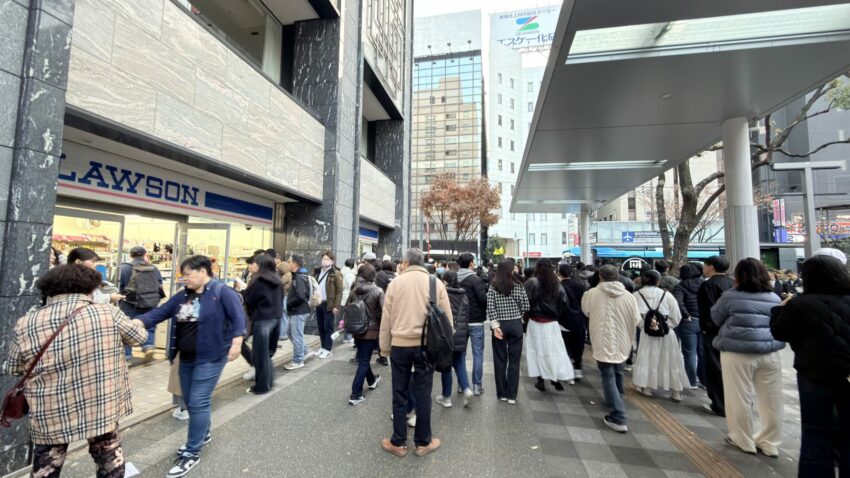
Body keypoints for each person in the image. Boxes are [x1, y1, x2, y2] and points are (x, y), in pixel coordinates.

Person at [5, 265, 147, 478]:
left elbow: (14, 368)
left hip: (50, 409)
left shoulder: (26, 323)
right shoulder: (107, 312)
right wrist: (136, 322)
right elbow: (138, 338)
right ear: (89, 288)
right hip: (100, 404)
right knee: (108, 457)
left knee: (46, 465)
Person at [137, 256, 246, 477]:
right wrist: (139, 322)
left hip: (211, 356)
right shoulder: (183, 296)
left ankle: (192, 451)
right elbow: (162, 311)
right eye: (183, 274)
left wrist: (237, 343)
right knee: (187, 399)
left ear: (203, 271)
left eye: (188, 274)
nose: (184, 278)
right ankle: (203, 433)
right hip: (185, 357)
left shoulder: (222, 292)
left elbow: (238, 318)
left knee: (198, 400)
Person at [770, 255, 850, 476]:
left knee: (816, 434)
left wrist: (779, 309)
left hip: (815, 373)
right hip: (847, 374)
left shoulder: (802, 304)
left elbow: (780, 332)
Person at [380, 248, 452, 458]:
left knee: (399, 393)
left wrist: (384, 347)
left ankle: (398, 442)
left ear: (405, 262)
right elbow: (447, 319)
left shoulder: (396, 283)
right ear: (422, 262)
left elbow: (387, 319)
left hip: (400, 346)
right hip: (426, 347)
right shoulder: (435, 283)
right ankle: (423, 442)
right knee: (423, 393)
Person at [711, 258, 785, 457]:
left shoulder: (730, 297)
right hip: (769, 351)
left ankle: (743, 439)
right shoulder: (773, 297)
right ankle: (770, 442)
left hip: (737, 352)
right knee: (771, 398)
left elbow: (716, 318)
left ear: (738, 276)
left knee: (739, 397)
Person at [581, 265, 641, 433]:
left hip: (602, 338)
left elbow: (586, 311)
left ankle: (618, 415)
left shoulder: (591, 294)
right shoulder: (629, 296)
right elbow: (636, 318)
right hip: (623, 340)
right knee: (618, 371)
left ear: (600, 276)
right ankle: (617, 397)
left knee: (607, 374)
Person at [632, 270, 689, 402]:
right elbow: (676, 316)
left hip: (647, 333)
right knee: (671, 360)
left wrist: (644, 326)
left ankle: (647, 388)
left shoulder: (636, 295)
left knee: (647, 358)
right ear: (658, 281)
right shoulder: (667, 295)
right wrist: (666, 326)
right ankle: (676, 392)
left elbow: (634, 316)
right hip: (667, 334)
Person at [525, 259, 575, 392]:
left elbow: (524, 301)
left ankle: (540, 380)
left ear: (538, 267)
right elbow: (564, 303)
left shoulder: (532, 282)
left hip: (535, 321)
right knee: (554, 350)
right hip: (552, 323)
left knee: (537, 351)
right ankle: (555, 377)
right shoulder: (557, 284)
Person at [487, 260, 530, 404]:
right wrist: (518, 314)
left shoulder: (493, 287)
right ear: (511, 270)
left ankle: (502, 394)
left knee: (500, 360)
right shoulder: (518, 285)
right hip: (516, 324)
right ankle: (512, 395)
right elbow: (526, 305)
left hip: (500, 325)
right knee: (514, 360)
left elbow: (490, 307)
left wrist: (495, 325)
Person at [239, 253, 282, 394]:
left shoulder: (258, 280)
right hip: (276, 318)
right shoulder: (277, 278)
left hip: (262, 319)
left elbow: (250, 300)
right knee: (266, 354)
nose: (254, 265)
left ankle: (261, 386)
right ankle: (269, 381)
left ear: (260, 264)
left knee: (259, 355)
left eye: (256, 263)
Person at [697, 255, 733, 416]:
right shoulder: (732, 283)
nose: (703, 269)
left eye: (705, 266)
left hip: (713, 333)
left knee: (714, 368)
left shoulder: (708, 285)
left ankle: (719, 404)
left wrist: (705, 329)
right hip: (731, 332)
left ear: (711, 267)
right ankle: (733, 404)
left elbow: (707, 311)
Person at [118, 246, 165, 362]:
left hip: (128, 303)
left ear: (130, 255)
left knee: (125, 328)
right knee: (149, 325)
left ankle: (127, 356)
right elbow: (159, 285)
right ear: (145, 255)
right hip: (149, 302)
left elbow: (118, 286)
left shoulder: (123, 268)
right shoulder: (153, 267)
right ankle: (148, 346)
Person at [347, 264, 384, 405]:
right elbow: (384, 310)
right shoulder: (378, 291)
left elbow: (348, 307)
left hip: (357, 329)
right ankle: (355, 394)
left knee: (363, 357)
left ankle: (372, 380)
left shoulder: (354, 289)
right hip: (371, 330)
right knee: (363, 361)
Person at [436, 270, 473, 408]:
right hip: (462, 334)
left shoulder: (443, 293)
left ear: (445, 280)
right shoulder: (464, 295)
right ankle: (466, 389)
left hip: (447, 335)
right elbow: (467, 315)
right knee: (460, 363)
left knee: (446, 366)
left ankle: (446, 397)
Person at [457, 252, 488, 396]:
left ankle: (462, 385)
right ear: (470, 264)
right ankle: (476, 386)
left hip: (460, 321)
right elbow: (483, 300)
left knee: (460, 354)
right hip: (475, 321)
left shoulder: (454, 278)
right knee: (477, 354)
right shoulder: (475, 279)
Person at [672, 263, 704, 389]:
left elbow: (678, 303)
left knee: (689, 352)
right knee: (702, 352)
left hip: (688, 322)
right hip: (703, 321)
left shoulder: (680, 286)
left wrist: (686, 315)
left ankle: (691, 381)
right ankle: (704, 380)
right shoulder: (705, 284)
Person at [558, 262, 587, 380]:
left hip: (563, 320)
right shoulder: (580, 286)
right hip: (579, 319)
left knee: (566, 345)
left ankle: (568, 371)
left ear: (559, 273)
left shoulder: (558, 286)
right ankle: (578, 368)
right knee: (578, 344)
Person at [313, 251, 344, 358]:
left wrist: (336, 306)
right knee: (321, 326)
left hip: (329, 304)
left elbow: (340, 291)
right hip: (319, 303)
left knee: (328, 327)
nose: (324, 261)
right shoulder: (317, 271)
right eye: (323, 259)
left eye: (327, 259)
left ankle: (328, 349)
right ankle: (322, 347)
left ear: (332, 261)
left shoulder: (336, 273)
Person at [284, 255, 311, 370]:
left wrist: (289, 304)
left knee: (296, 336)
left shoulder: (299, 277)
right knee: (290, 333)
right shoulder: (299, 275)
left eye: (289, 262)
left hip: (298, 311)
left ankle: (298, 360)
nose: (287, 263)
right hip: (298, 311)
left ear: (295, 264)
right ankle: (304, 351)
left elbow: (301, 296)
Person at [273, 252, 292, 341]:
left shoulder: (287, 275)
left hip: (284, 297)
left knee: (284, 315)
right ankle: (282, 333)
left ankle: (283, 334)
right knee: (284, 316)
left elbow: (279, 283)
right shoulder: (288, 274)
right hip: (285, 296)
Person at [340, 258, 357, 345]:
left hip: (344, 296)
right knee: (348, 318)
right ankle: (347, 337)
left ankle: (346, 336)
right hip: (347, 297)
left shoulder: (343, 272)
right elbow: (352, 286)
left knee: (346, 317)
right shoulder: (349, 274)